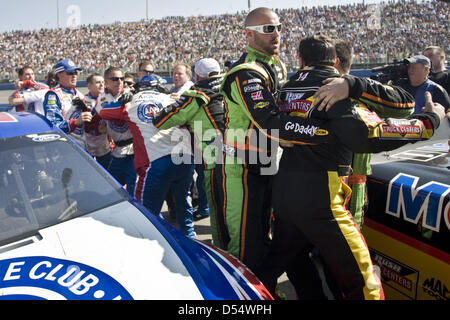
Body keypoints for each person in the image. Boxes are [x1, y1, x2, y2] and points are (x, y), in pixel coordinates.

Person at [254, 34, 445, 300]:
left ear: (299, 59)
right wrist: (429, 121)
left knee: (276, 264)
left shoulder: (285, 88)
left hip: (285, 192)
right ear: (335, 61)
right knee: (366, 285)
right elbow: (373, 133)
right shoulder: (334, 86)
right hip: (321, 196)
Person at [99, 75, 197, 239]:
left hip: (156, 160)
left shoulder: (130, 103)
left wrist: (121, 101)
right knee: (183, 200)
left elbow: (104, 112)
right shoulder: (170, 99)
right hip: (185, 156)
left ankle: (150, 242)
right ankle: (190, 237)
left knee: (145, 212)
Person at [152, 57, 226, 248]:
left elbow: (160, 121)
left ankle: (225, 250)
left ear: (197, 76)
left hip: (216, 158)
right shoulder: (232, 84)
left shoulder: (197, 94)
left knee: (220, 207)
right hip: (244, 152)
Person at [95, 67, 136, 196]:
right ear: (106, 82)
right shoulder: (102, 99)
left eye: (121, 79)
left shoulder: (132, 94)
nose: (119, 82)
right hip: (118, 150)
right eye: (114, 79)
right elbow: (106, 113)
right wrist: (123, 105)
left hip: (135, 149)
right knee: (111, 188)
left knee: (134, 188)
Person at [42, 59, 92, 149]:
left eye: (75, 73)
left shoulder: (79, 95)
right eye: (70, 73)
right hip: (65, 149)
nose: (74, 76)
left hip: (83, 148)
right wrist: (75, 123)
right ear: (59, 75)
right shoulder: (53, 95)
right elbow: (53, 126)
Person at [84, 73, 111, 170]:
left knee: (108, 175)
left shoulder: (109, 99)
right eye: (98, 82)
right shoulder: (82, 100)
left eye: (103, 82)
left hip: (105, 146)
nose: (101, 85)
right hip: (86, 145)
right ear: (89, 85)